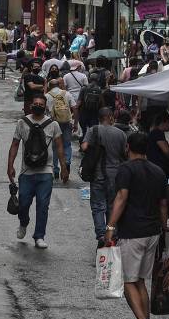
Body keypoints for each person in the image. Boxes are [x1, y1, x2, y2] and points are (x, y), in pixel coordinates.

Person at [104, 132, 168, 319]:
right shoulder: (158, 171)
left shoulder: (126, 169)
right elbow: (163, 204)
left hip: (133, 232)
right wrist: (163, 228)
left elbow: (121, 197)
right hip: (153, 232)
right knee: (140, 280)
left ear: (127, 147)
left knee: (129, 280)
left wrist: (110, 227)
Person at [7, 93, 69, 248]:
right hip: (26, 172)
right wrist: (10, 165)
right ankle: (23, 223)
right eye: (36, 103)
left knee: (43, 205)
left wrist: (63, 168)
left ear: (46, 106)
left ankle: (39, 236)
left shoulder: (53, 124)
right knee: (23, 204)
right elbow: (14, 144)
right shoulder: (22, 123)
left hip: (46, 172)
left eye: (41, 104)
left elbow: (60, 146)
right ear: (30, 105)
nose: (38, 106)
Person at [81, 107, 127, 244]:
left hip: (97, 174)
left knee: (97, 206)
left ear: (100, 118)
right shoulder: (121, 133)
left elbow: (84, 147)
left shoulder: (93, 130)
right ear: (111, 117)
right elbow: (124, 153)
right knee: (112, 206)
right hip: (115, 175)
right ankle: (112, 234)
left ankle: (101, 235)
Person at [45, 78, 78, 180]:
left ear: (50, 86)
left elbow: (44, 112)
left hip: (53, 124)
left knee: (54, 147)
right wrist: (75, 122)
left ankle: (55, 170)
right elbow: (75, 108)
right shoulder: (67, 94)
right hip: (66, 122)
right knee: (67, 144)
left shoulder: (47, 96)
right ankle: (67, 162)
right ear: (59, 85)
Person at [77, 73, 104, 142]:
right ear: (97, 80)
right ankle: (91, 147)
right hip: (94, 114)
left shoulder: (84, 88)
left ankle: (83, 146)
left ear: (89, 79)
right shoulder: (99, 89)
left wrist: (76, 112)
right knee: (93, 132)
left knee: (84, 131)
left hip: (83, 113)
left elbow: (79, 102)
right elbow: (102, 103)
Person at [146, 111, 169, 177]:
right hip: (159, 167)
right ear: (164, 122)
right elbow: (166, 151)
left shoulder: (153, 133)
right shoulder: (158, 133)